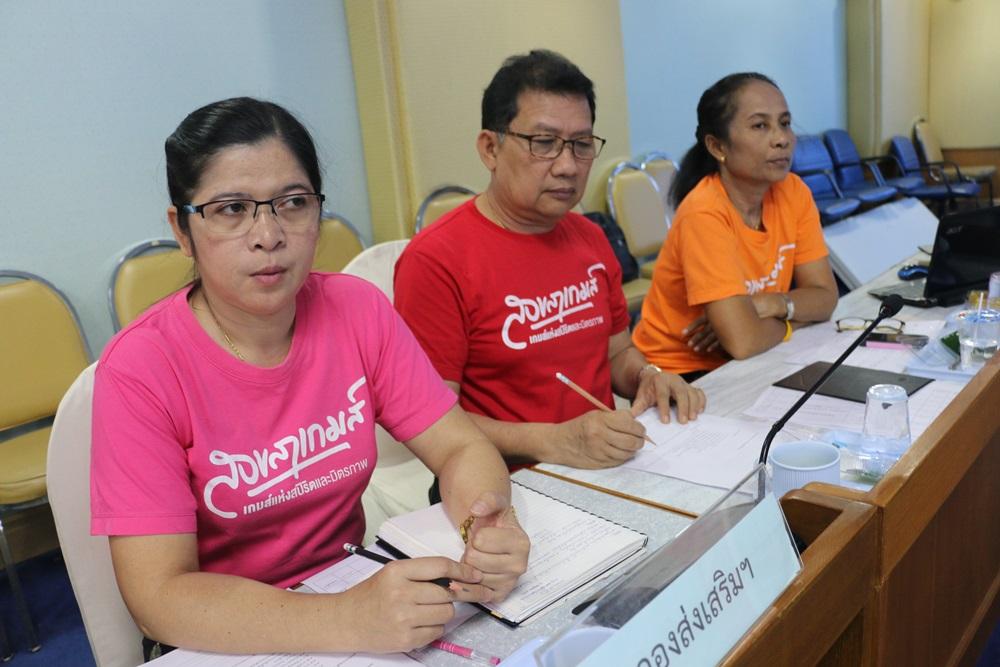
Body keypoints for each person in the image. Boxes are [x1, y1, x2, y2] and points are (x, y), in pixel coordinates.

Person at [90, 97, 529, 658]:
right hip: (224, 637)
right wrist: (347, 618)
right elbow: (159, 596)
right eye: (231, 209)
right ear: (182, 229)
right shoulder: (141, 370)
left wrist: (486, 526)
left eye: (293, 203)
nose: (268, 234)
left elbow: (461, 446)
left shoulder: (357, 310)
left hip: (349, 588)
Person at [394, 50, 705, 476]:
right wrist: (556, 442)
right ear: (490, 148)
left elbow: (617, 353)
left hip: (606, 467)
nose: (567, 166)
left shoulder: (590, 238)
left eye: (581, 144)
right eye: (543, 143)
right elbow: (431, 421)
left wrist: (647, 376)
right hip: (504, 481)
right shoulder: (436, 260)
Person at [632, 73, 838, 378]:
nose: (781, 139)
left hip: (752, 357)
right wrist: (793, 318)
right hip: (680, 372)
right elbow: (743, 341)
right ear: (717, 146)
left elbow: (825, 298)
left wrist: (768, 304)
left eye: (785, 123)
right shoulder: (703, 213)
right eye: (760, 126)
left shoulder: (794, 192)